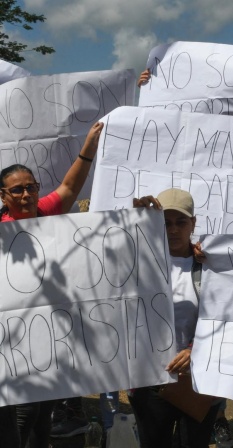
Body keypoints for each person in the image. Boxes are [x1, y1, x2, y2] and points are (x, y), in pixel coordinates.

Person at [0, 121, 103, 448]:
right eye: (17, 190)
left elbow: (70, 188)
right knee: (23, 416)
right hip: (14, 343)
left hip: (50, 339)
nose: (27, 194)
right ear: (3, 196)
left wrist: (89, 146)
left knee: (43, 415)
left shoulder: (43, 213)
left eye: (31, 186)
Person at [130, 188, 221, 448]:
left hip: (197, 379)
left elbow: (225, 318)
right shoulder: (139, 260)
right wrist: (133, 221)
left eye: (181, 222)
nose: (173, 230)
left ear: (193, 223)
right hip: (151, 381)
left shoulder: (212, 263)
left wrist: (196, 350)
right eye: (165, 222)